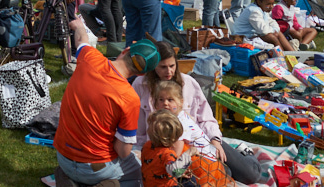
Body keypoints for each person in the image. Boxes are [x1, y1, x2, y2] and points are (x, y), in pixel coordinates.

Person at [130, 41, 261, 185]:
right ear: (154, 66)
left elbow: (206, 118)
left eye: (172, 66)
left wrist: (215, 140)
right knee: (224, 174)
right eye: (163, 67)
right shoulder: (140, 85)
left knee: (251, 175)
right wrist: (143, 153)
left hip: (202, 142)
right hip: (170, 153)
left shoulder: (188, 83)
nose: (169, 71)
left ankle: (245, 152)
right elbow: (137, 130)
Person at [53, 15, 157, 186]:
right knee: (146, 171)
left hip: (63, 157)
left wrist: (79, 25)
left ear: (125, 50)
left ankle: (70, 179)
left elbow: (81, 40)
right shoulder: (129, 98)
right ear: (141, 74)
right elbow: (123, 151)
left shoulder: (90, 58)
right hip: (95, 168)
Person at [140, 110, 194, 187]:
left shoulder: (147, 146)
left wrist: (181, 173)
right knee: (190, 181)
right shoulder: (167, 154)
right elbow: (175, 171)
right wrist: (189, 153)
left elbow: (157, 168)